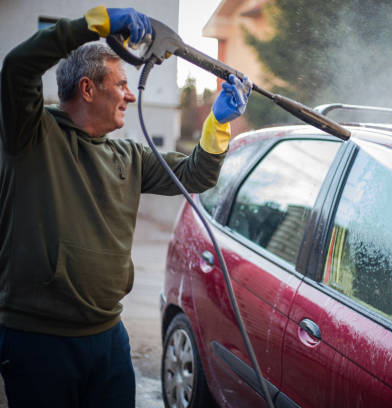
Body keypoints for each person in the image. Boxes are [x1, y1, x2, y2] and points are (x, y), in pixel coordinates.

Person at [0, 6, 252, 407]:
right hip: (39, 339)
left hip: (108, 337)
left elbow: (195, 175)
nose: (131, 94)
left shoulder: (131, 157)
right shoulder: (31, 136)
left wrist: (217, 124)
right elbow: (17, 66)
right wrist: (93, 23)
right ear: (87, 89)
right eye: (120, 84)